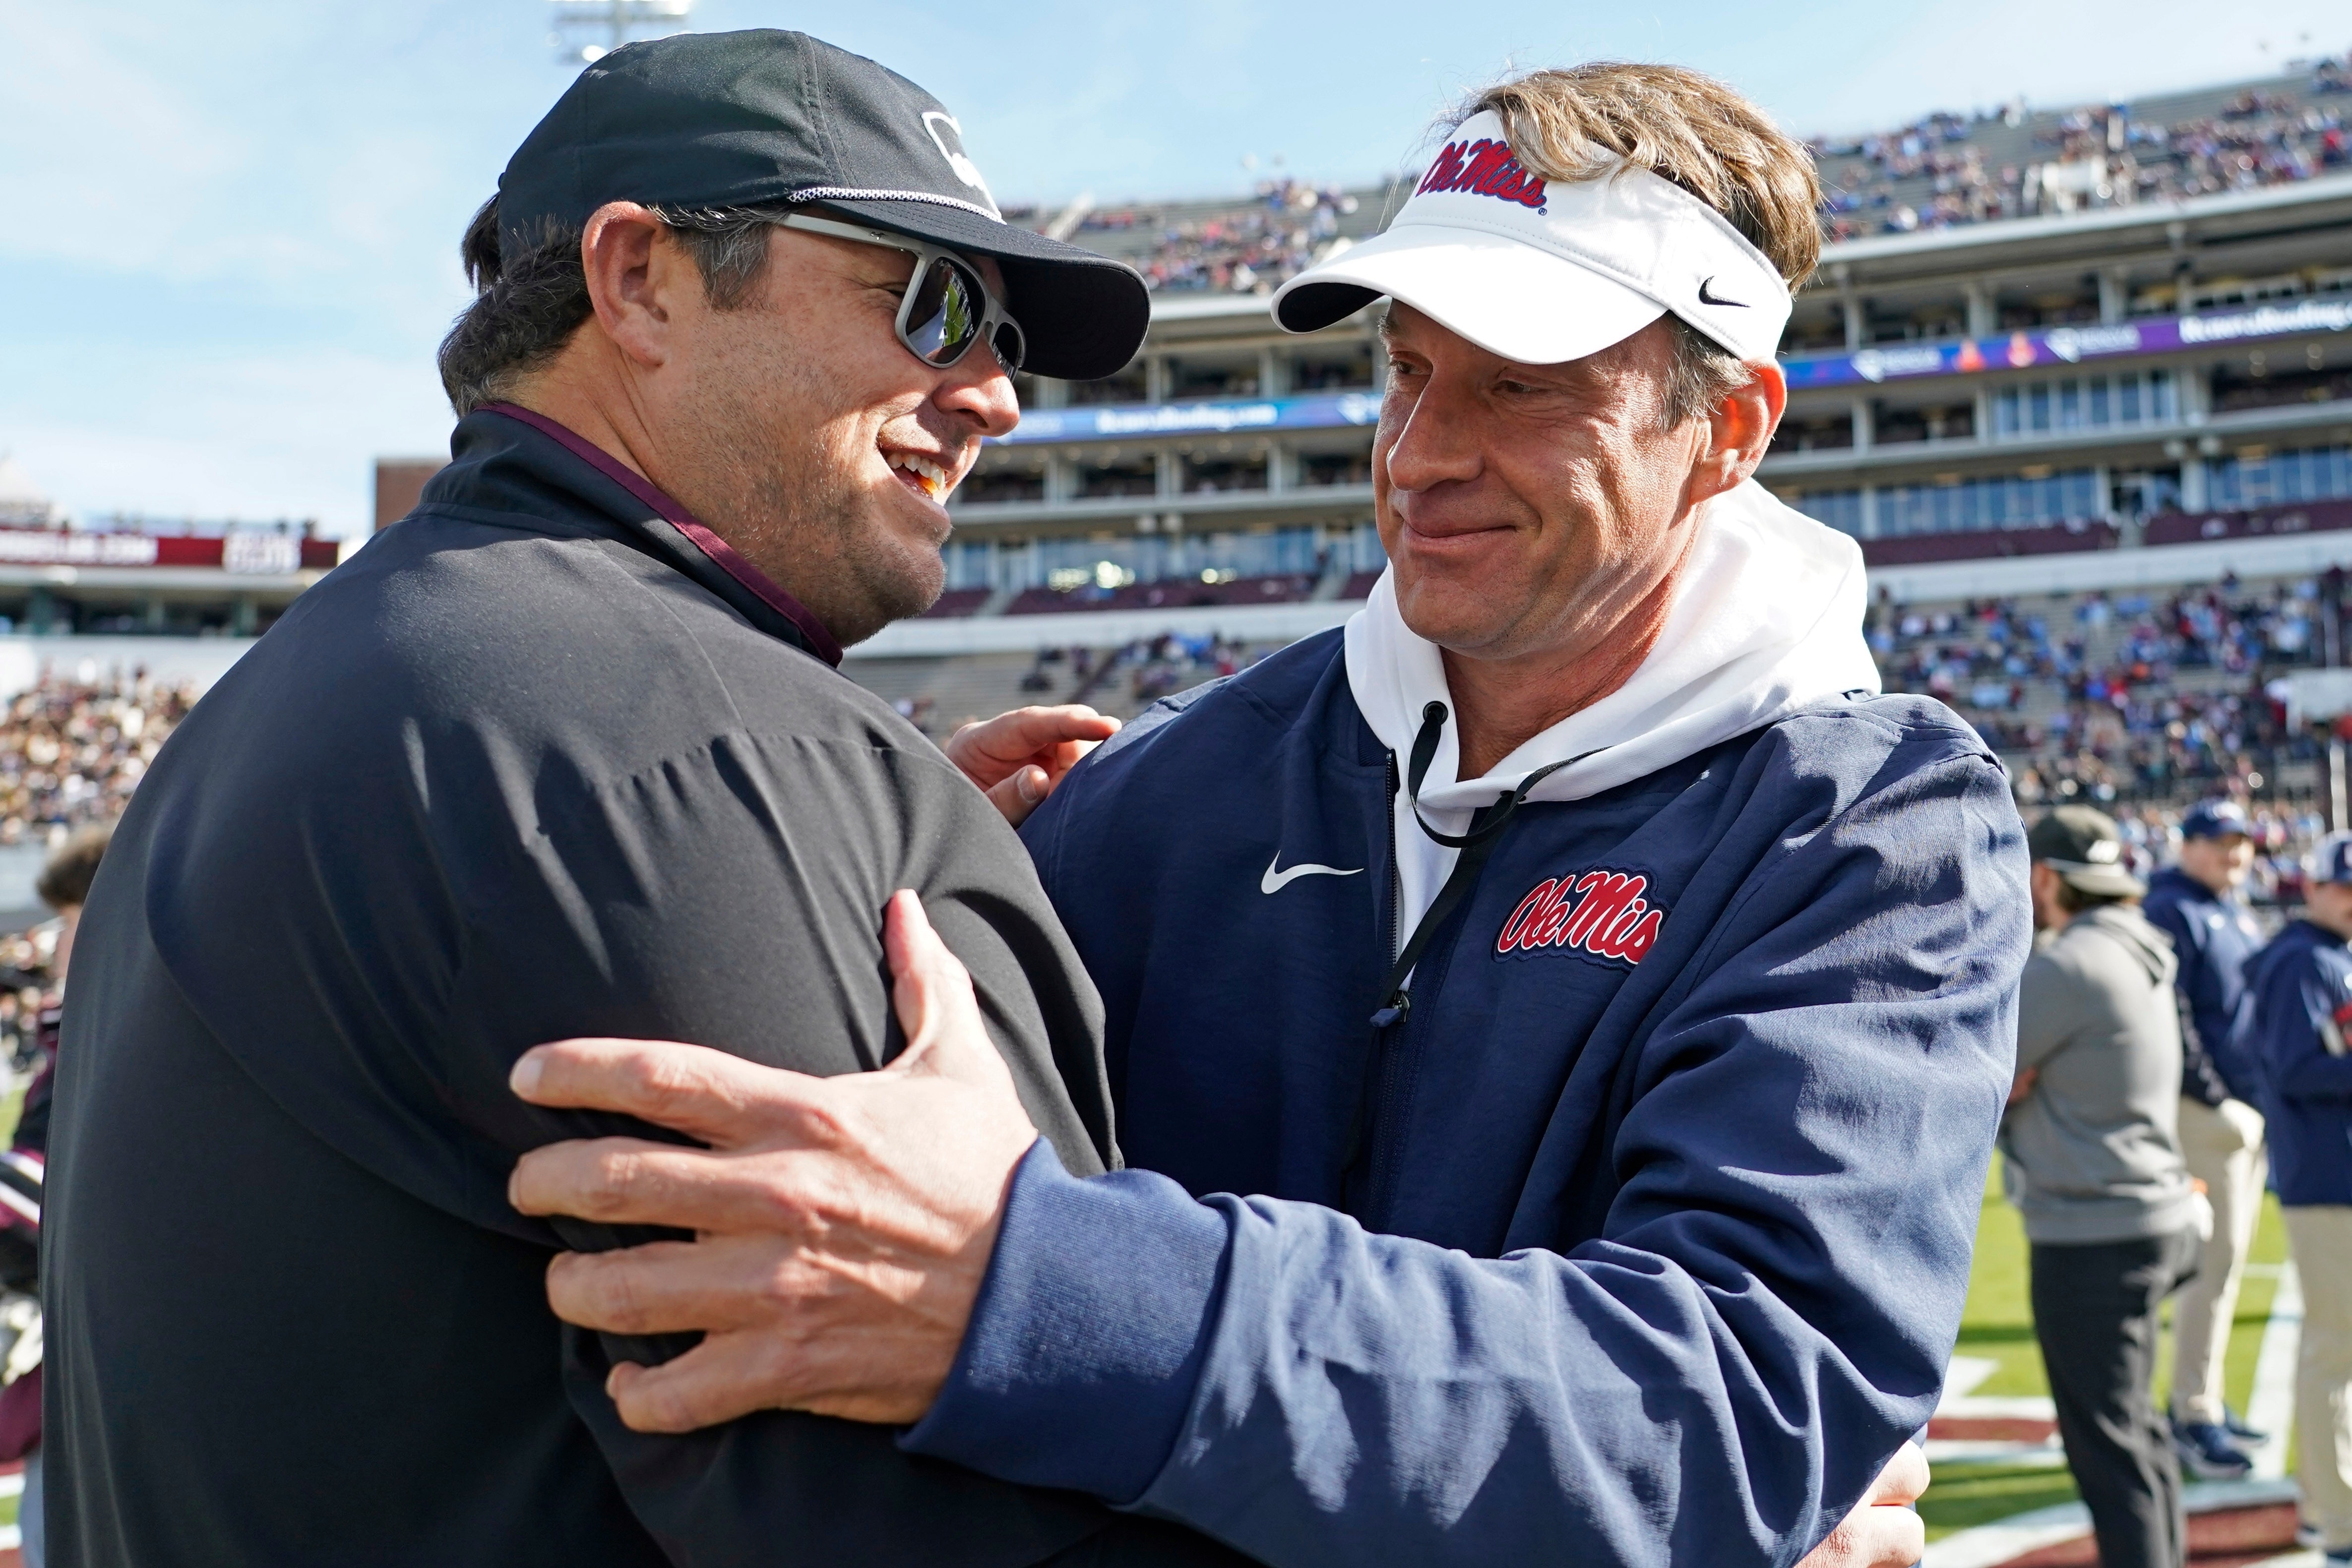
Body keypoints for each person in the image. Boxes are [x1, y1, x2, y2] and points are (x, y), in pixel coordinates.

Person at [504, 64, 2029, 1568]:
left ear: (1729, 426)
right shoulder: (1176, 781)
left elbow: (1730, 1410)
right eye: (1410, 370)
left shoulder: (1865, 827)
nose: (1422, 453)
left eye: (1520, 384)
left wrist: (1042, 1290)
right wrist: (874, 866)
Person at [43, 30, 1265, 1567]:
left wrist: (810, 859)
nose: (993, 397)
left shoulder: (332, 671)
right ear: (638, 282)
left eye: (1003, 336)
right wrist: (786, 820)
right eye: (936, 304)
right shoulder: (684, 746)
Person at [2007, 806, 2200, 1568]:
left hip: (2093, 1228)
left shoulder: (2065, 963)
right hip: (2149, 1205)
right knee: (2135, 1432)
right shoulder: (2134, 945)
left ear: (2046, 876)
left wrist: (2016, 1086)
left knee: (2107, 1448)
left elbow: (1977, 1076)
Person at [2140, 798, 2270, 1478]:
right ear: (2186, 844)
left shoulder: (2229, 907)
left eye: (2240, 841)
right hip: (2204, 1111)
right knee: (2207, 1267)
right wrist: (2213, 1094)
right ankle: (2190, 1413)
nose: (2233, 853)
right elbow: (2173, 1013)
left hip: (2242, 1105)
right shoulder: (2171, 908)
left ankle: (2204, 1400)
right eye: (2219, 841)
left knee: (2224, 1268)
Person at [0, 822, 109, 1568]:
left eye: (71, 924)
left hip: (103, 1394)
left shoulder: (103, 1040)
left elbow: (46, 1207)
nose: (58, 947)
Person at [2244, 832, 2352, 1568]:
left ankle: (2328, 1501)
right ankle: (2335, 1516)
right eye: (2342, 883)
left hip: (2335, 1172)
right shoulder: (2300, 959)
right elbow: (2293, 1066)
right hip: (2325, 1176)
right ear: (2310, 885)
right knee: (2334, 1350)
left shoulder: (2327, 954)